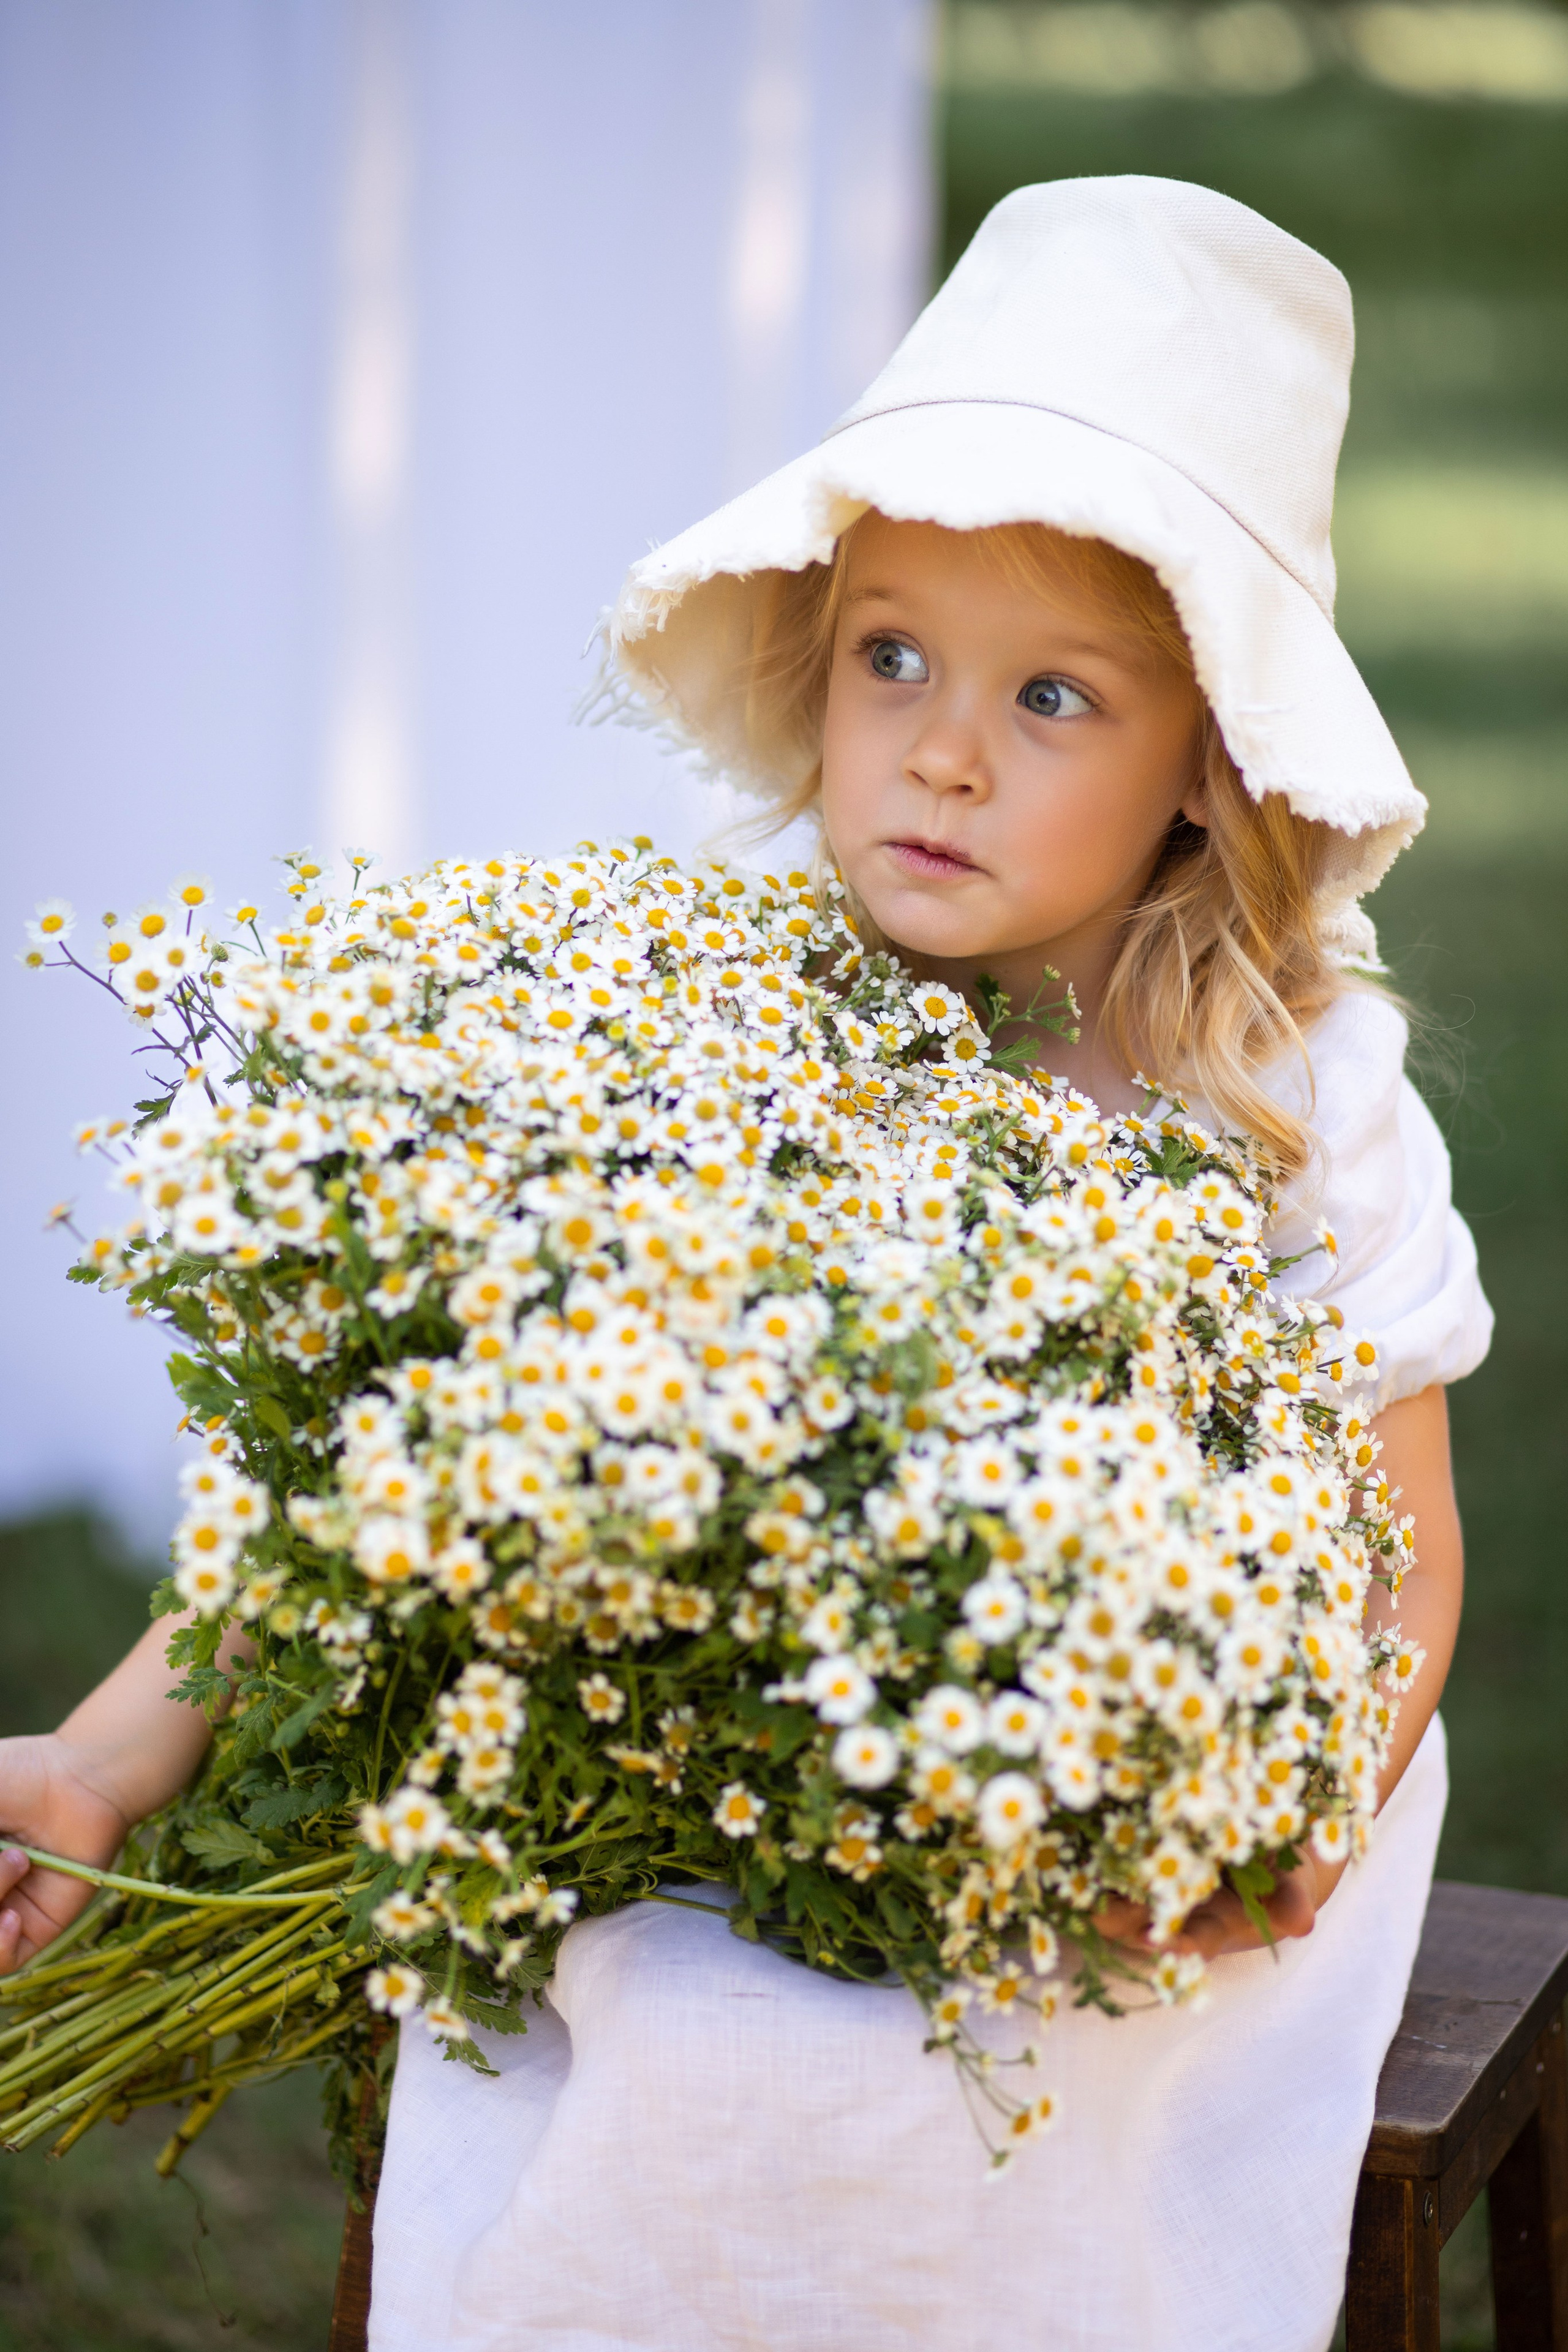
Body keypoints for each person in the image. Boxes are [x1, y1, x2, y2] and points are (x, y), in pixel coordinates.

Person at [0, 178, 1491, 2351]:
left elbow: (1404, 1552)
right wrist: (109, 1762)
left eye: (1056, 696)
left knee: (916, 2101)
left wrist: (1292, 1810)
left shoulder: (1292, 1093)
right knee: (668, 2032)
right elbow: (412, 1478)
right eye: (894, 657)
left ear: (1209, 768)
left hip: (1148, 1776)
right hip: (745, 1720)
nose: (944, 749)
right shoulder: (722, 1028)